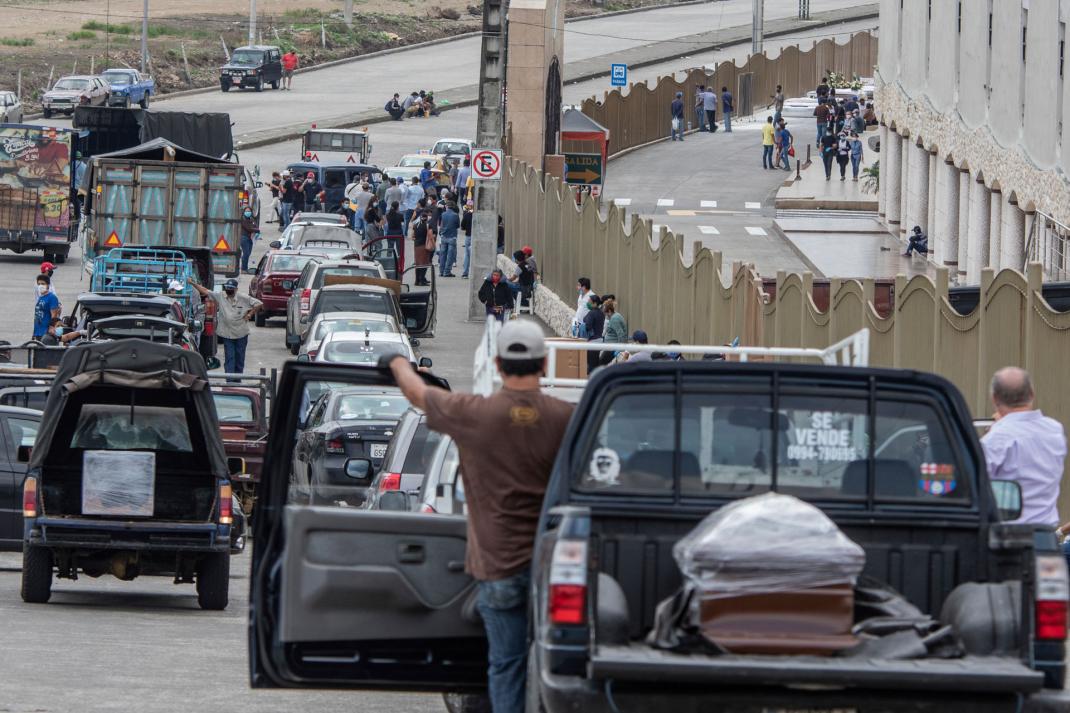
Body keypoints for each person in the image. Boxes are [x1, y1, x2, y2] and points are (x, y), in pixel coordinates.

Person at [383, 320, 574, 713]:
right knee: (560, 666)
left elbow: (419, 394)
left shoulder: (474, 413)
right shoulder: (565, 418)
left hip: (498, 567)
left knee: (506, 664)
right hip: (553, 570)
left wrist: (399, 362)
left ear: (499, 364)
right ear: (543, 364)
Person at [982, 367, 1066, 526]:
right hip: (1046, 537)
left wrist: (998, 429)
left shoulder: (995, 439)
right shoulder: (1055, 430)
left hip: (1008, 538)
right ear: (1032, 393)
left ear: (994, 398)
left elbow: (978, 485)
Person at [188, 278, 261, 375]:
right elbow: (205, 290)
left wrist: (250, 314)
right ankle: (229, 381)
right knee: (229, 357)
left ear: (236, 289)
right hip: (227, 334)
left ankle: (237, 380)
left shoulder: (243, 298)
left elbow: (259, 304)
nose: (228, 289)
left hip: (241, 334)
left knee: (240, 358)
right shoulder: (221, 296)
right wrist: (192, 283)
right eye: (227, 287)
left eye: (231, 288)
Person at [599, 297, 627, 365]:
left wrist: (619, 349)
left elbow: (621, 334)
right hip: (611, 346)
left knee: (601, 363)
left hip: (613, 348)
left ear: (609, 311)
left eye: (605, 313)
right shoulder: (615, 316)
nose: (605, 316)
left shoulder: (614, 319)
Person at [33, 274, 61, 341]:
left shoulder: (52, 297)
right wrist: (34, 333)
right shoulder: (40, 297)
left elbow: (54, 315)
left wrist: (51, 328)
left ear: (48, 285)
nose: (40, 286)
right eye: (39, 284)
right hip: (38, 332)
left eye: (43, 284)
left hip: (46, 333)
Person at [582, 294, 605, 373]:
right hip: (599, 340)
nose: (588, 303)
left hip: (592, 341)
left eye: (589, 302)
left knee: (591, 365)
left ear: (595, 303)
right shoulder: (601, 313)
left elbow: (588, 326)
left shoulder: (592, 313)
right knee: (595, 363)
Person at [411, 209, 435, 286]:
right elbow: (431, 236)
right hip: (424, 246)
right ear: (427, 218)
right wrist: (434, 245)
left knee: (418, 264)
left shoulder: (416, 225)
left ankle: (417, 280)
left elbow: (412, 236)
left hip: (416, 246)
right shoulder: (428, 225)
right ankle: (422, 280)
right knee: (424, 263)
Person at [438, 201, 460, 277]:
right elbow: (457, 226)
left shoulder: (443, 214)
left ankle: (441, 271)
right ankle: (447, 271)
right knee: (450, 255)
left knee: (442, 254)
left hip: (444, 236)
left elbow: (441, 224)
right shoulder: (455, 215)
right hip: (452, 236)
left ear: (446, 207)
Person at [384, 201, 405, 272]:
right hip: (398, 233)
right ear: (398, 207)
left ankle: (388, 263)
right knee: (399, 250)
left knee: (390, 249)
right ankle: (399, 264)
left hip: (390, 233)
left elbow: (387, 222)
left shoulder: (388, 214)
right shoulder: (400, 215)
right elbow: (402, 223)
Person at [240, 208, 258, 273]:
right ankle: (243, 269)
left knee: (248, 253)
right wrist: (256, 230)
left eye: (249, 211)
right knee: (246, 253)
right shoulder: (243, 219)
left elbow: (255, 226)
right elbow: (249, 228)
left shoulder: (251, 219)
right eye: (247, 211)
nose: (248, 212)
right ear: (244, 212)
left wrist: (255, 229)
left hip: (250, 238)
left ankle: (245, 268)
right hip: (244, 238)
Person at [460, 199, 474, 278]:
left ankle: (465, 273)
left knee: (467, 255)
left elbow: (462, 227)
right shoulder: (477, 215)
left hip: (468, 236)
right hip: (475, 237)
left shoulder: (467, 215)